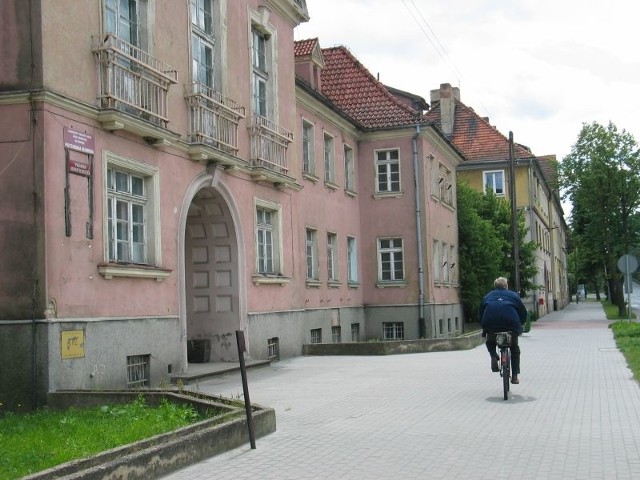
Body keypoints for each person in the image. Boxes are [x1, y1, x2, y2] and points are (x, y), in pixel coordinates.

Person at [480, 277, 527, 384]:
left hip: (491, 325)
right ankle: (514, 376)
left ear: (495, 287)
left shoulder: (488, 296)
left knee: (490, 341)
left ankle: (493, 356)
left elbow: (481, 312)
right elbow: (522, 311)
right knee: (514, 348)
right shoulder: (514, 296)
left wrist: (484, 327)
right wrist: (522, 323)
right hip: (511, 325)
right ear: (506, 286)